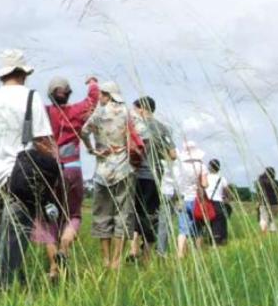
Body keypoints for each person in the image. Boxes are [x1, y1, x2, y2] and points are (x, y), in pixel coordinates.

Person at [0, 49, 55, 288]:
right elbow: (42, 141)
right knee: (13, 246)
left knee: (4, 244)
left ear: (2, 74)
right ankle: (0, 295)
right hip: (20, 180)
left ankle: (12, 291)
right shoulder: (30, 97)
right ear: (22, 73)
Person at [45, 75, 100, 278]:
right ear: (68, 94)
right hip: (73, 168)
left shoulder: (44, 113)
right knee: (74, 215)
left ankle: (52, 269)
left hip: (50, 170)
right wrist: (92, 82)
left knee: (49, 219)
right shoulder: (77, 112)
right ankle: (64, 248)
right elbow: (93, 99)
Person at [81, 81, 140, 270]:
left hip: (102, 171)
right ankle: (116, 260)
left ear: (107, 95)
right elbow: (137, 138)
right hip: (125, 169)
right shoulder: (128, 112)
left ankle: (106, 259)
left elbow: (83, 132)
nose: (99, 98)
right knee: (123, 215)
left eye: (101, 95)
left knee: (102, 215)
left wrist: (92, 149)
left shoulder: (99, 113)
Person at [127, 96, 177, 262]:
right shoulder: (163, 128)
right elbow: (173, 155)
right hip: (154, 175)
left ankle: (133, 248)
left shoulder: (134, 126)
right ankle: (146, 255)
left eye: (135, 109)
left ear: (141, 108)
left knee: (134, 211)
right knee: (149, 214)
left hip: (135, 173)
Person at [175, 142, 208, 258]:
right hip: (196, 200)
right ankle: (198, 254)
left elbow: (176, 181)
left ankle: (180, 254)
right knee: (198, 228)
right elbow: (204, 184)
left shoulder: (180, 164)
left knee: (182, 229)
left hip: (182, 198)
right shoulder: (201, 165)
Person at [205, 159, 231, 245]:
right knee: (219, 222)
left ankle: (210, 241)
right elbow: (227, 192)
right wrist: (227, 199)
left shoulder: (206, 177)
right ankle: (219, 241)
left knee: (209, 223)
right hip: (219, 203)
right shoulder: (222, 178)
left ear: (210, 167)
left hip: (208, 202)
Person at [256, 166, 278, 232]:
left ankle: (264, 232)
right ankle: (273, 232)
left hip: (265, 203)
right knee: (273, 219)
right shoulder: (276, 182)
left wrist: (258, 202)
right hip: (275, 203)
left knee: (263, 218)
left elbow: (259, 194)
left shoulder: (261, 182)